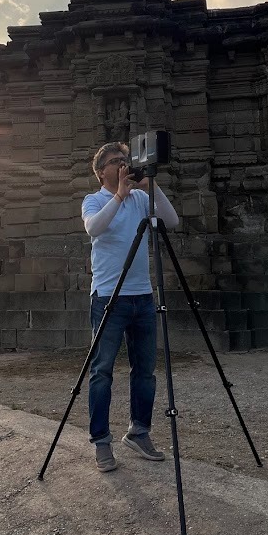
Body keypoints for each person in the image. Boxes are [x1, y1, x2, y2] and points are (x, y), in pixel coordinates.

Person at [82, 141, 180, 473]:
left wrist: (150, 185)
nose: (123, 165)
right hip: (108, 296)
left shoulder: (141, 199)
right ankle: (101, 442)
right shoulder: (94, 200)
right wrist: (120, 195)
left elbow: (172, 220)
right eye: (115, 161)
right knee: (102, 372)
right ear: (101, 172)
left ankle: (139, 432)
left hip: (141, 295)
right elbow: (94, 227)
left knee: (145, 372)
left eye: (126, 159)